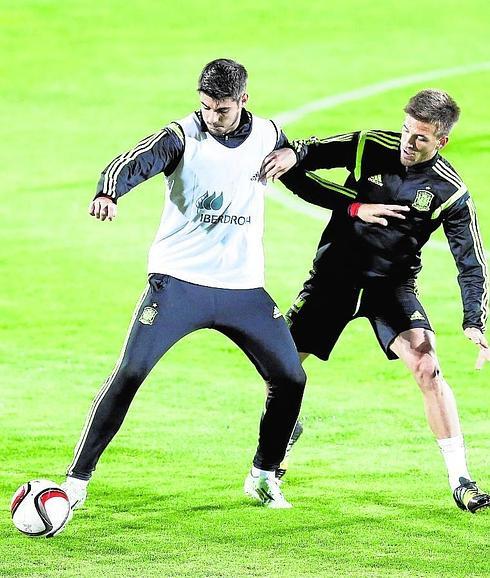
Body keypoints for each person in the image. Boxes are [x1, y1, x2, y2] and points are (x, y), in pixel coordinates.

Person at [59, 58, 399, 515]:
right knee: (132, 371)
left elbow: (303, 184)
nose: (211, 118)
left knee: (290, 377)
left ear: (243, 100)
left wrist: (354, 207)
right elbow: (135, 162)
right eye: (204, 108)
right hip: (178, 282)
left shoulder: (266, 136)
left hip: (242, 288)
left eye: (220, 110)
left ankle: (263, 475)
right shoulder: (182, 135)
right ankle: (76, 481)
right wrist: (108, 191)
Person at [261, 89, 490, 513]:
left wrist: (474, 320)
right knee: (281, 371)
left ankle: (461, 479)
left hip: (392, 286)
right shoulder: (371, 144)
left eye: (420, 137)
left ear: (441, 141)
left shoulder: (450, 192)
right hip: (333, 280)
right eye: (406, 130)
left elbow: (470, 259)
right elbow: (310, 152)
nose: (407, 142)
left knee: (427, 366)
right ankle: (284, 434)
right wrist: (294, 158)